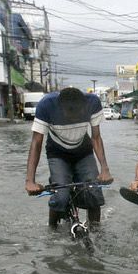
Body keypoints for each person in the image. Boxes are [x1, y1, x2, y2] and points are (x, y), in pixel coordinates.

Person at [25, 87, 112, 227]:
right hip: (57, 153)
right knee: (61, 197)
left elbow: (96, 138)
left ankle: (97, 234)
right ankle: (52, 231)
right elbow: (36, 142)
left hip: (83, 151)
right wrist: (30, 181)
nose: (73, 118)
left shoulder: (93, 102)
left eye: (77, 113)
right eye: (69, 114)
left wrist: (105, 169)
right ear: (60, 107)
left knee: (93, 193)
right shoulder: (46, 105)